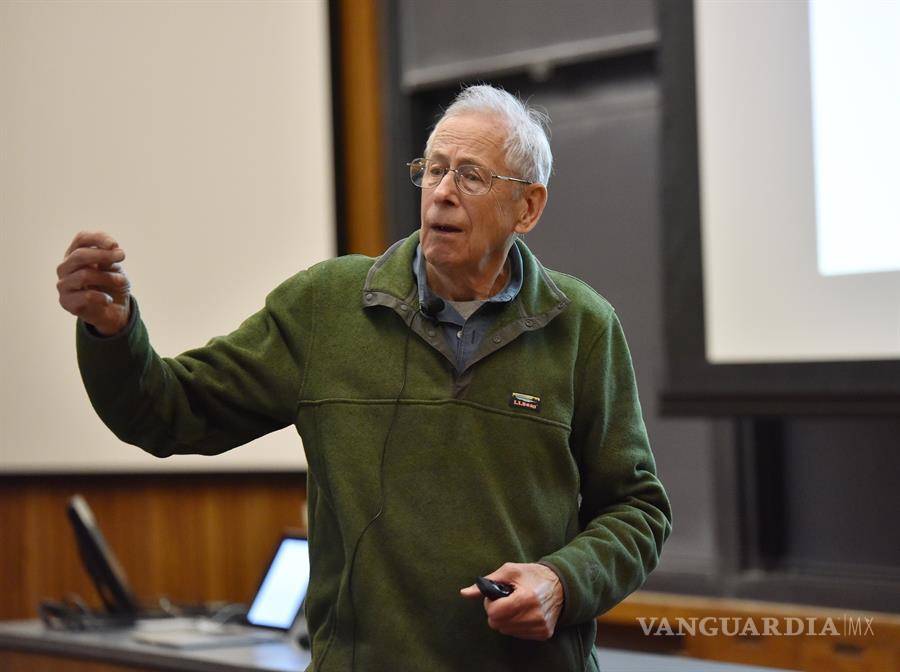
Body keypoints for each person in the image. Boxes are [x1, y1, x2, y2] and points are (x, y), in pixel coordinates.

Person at [57, 84, 672, 671]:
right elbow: (166, 411)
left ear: (528, 207)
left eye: (471, 175)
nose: (441, 193)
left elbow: (637, 508)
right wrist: (114, 334)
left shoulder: (582, 327)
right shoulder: (328, 306)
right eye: (433, 169)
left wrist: (564, 583)